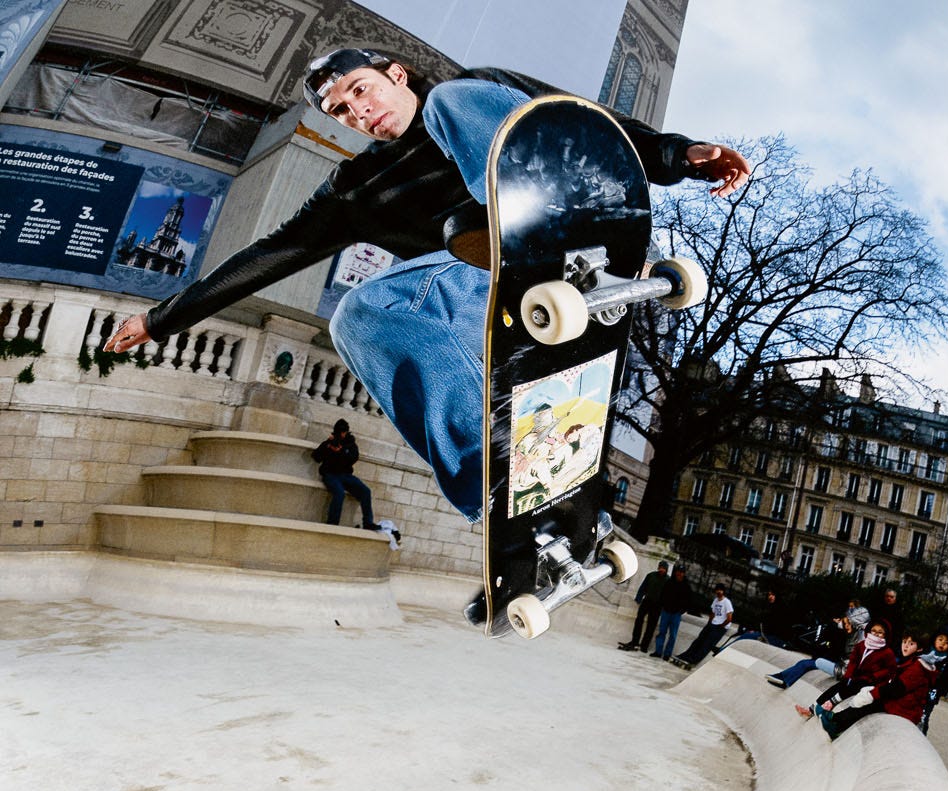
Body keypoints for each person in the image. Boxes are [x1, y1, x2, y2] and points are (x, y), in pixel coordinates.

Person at [103, 46, 751, 524]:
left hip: (571, 208)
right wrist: (161, 319)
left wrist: (677, 155)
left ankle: (535, 234)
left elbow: (582, 117)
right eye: (341, 110)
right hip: (501, 291)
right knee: (361, 312)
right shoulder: (358, 188)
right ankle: (500, 476)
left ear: (395, 73)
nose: (359, 112)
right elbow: (270, 253)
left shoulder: (475, 91)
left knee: (454, 104)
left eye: (360, 90)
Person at [821, 633, 938, 738]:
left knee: (871, 703)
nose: (906, 646)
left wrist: (873, 694)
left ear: (919, 648)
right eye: (904, 642)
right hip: (902, 702)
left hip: (906, 709)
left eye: (911, 644)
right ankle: (836, 723)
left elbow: (897, 688)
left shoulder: (917, 668)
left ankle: (835, 721)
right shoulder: (910, 661)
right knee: (868, 699)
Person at [795, 619, 894, 720]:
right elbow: (853, 662)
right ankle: (811, 709)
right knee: (837, 687)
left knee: (850, 688)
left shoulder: (887, 652)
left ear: (885, 635)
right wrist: (847, 677)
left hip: (870, 681)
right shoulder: (862, 645)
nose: (876, 634)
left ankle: (827, 707)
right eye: (874, 630)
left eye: (880, 632)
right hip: (856, 677)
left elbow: (890, 670)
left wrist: (874, 675)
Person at [766, 597, 869, 689]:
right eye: (845, 623)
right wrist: (835, 625)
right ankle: (782, 677)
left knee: (808, 663)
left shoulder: (859, 639)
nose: (845, 626)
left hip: (842, 668)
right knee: (804, 662)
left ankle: (784, 680)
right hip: (841, 663)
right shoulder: (850, 631)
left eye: (848, 624)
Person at [311, 418, 380, 528]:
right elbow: (316, 457)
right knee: (339, 493)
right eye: (340, 432)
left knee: (366, 491)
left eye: (343, 432)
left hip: (346, 475)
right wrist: (327, 445)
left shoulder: (350, 444)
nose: (342, 435)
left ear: (346, 432)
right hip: (330, 474)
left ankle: (368, 523)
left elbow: (353, 458)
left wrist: (341, 451)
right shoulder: (330, 442)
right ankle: (332, 523)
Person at [672, 583, 733, 668]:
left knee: (707, 644)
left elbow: (729, 618)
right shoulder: (716, 600)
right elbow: (713, 613)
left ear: (723, 591)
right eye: (717, 590)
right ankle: (686, 655)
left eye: (720, 590)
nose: (718, 592)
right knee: (699, 640)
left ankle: (693, 660)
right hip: (712, 624)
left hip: (721, 627)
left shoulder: (727, 602)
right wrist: (709, 623)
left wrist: (721, 626)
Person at [651, 564, 700, 658]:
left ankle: (667, 654)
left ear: (684, 574)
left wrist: (682, 611)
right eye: (678, 571)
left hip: (676, 614)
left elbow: (689, 601)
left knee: (673, 635)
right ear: (676, 572)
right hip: (666, 611)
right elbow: (663, 594)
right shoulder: (669, 582)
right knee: (661, 632)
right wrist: (663, 606)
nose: (679, 574)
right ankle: (658, 651)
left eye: (681, 572)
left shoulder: (686, 586)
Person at [619, 560, 669, 652]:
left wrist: (664, 607)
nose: (662, 570)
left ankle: (644, 646)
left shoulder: (668, 580)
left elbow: (668, 596)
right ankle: (635, 641)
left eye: (664, 568)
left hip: (658, 605)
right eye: (661, 568)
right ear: (658, 568)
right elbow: (643, 587)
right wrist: (639, 598)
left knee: (651, 625)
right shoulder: (651, 575)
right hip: (647, 601)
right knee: (639, 620)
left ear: (666, 570)